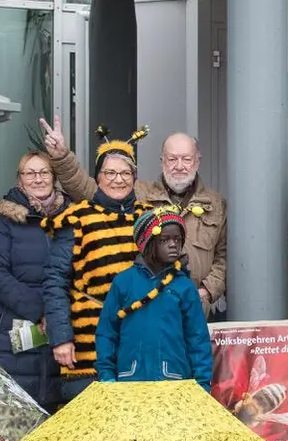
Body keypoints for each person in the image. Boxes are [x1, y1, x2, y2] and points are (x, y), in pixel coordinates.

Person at [41, 117, 228, 317]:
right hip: (150, 311)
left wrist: (207, 291)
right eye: (172, 159)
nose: (179, 165)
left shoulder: (215, 203)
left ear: (198, 161)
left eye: (186, 159)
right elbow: (89, 188)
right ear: (162, 161)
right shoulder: (138, 193)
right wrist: (61, 156)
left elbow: (223, 257)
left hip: (196, 310)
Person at [41, 128, 151, 404]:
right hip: (87, 348)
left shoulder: (148, 218)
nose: (118, 180)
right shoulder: (77, 218)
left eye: (125, 173)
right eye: (110, 173)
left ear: (134, 178)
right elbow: (55, 282)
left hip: (140, 344)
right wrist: (61, 338)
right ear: (98, 177)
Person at [0, 151, 65, 410]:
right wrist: (40, 309)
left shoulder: (69, 218)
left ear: (54, 177)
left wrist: (58, 312)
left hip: (59, 330)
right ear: (20, 180)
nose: (37, 179)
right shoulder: (4, 221)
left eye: (44, 172)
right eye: (30, 173)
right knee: (14, 412)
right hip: (10, 334)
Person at [94, 208, 213, 391]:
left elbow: (197, 338)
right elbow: (107, 332)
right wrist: (107, 375)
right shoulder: (124, 282)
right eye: (164, 240)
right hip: (129, 382)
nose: (173, 245)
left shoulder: (184, 286)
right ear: (148, 243)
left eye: (177, 239)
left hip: (174, 383)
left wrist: (202, 383)